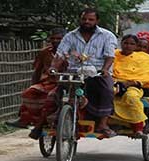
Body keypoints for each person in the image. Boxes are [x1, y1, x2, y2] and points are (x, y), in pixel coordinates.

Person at [49, 8, 117, 136]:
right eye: (84, 19)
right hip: (75, 71)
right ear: (80, 20)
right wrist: (53, 67)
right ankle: (60, 113)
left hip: (97, 71)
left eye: (90, 19)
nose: (87, 22)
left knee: (107, 90)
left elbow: (110, 56)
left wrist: (105, 69)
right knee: (60, 88)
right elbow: (60, 54)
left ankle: (103, 123)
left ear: (97, 21)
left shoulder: (107, 35)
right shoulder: (70, 36)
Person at [8, 28, 67, 136]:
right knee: (29, 93)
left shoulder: (72, 53)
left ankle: (39, 126)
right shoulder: (44, 52)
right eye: (53, 38)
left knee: (51, 98)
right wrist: (34, 84)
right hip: (48, 82)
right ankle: (26, 119)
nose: (55, 41)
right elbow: (37, 70)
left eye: (59, 39)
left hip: (66, 83)